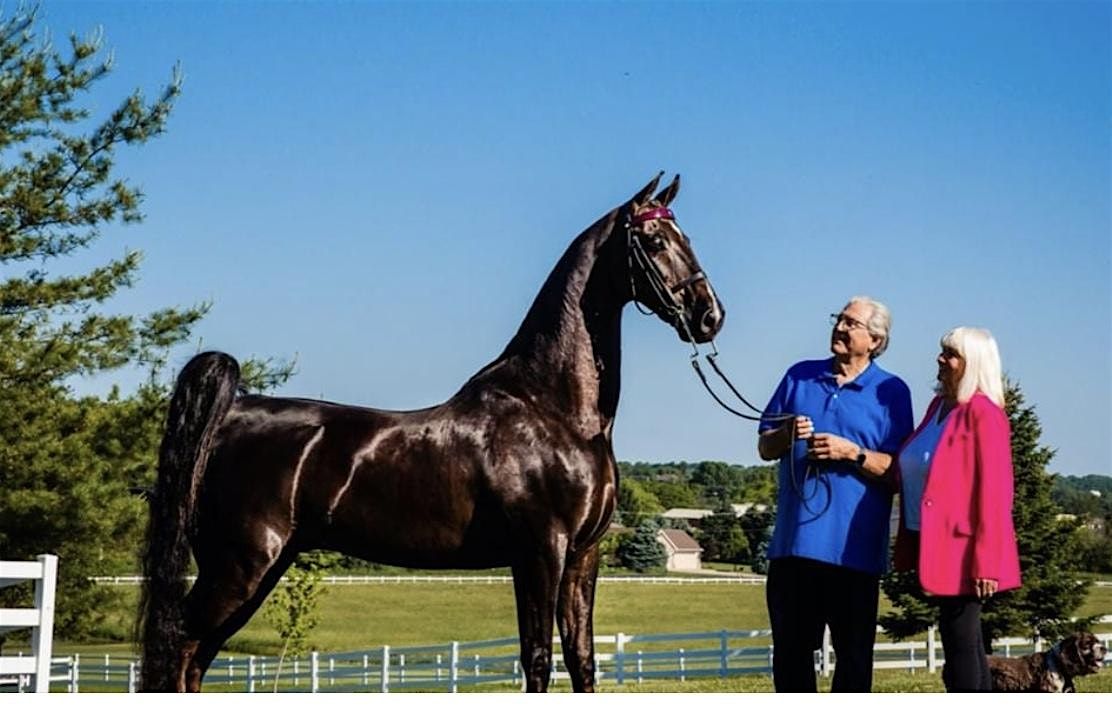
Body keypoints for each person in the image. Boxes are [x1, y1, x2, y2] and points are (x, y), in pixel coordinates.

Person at [758, 296, 913, 692]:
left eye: (851, 323)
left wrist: (853, 453)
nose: (840, 328)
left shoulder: (892, 392)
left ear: (875, 340)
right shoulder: (799, 376)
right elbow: (764, 448)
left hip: (854, 554)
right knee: (791, 660)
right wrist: (785, 433)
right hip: (793, 549)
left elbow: (898, 471)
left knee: (854, 663)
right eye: (838, 319)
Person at [892, 326, 1021, 692]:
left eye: (950, 354)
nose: (940, 359)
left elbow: (995, 494)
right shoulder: (938, 407)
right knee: (963, 639)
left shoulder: (984, 414)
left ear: (972, 364)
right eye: (942, 351)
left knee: (960, 638)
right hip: (935, 540)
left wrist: (986, 562)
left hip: (965, 548)